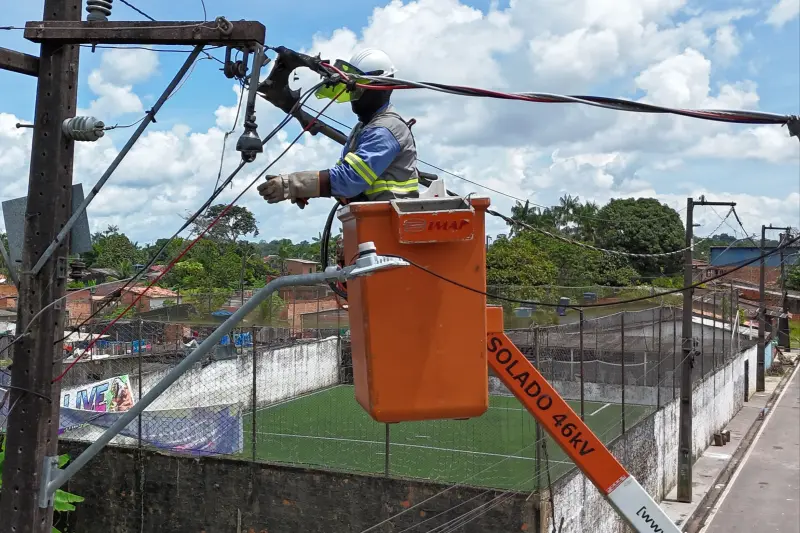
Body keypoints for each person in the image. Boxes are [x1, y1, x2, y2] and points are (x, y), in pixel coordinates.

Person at [257, 48, 420, 206]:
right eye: (351, 90)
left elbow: (349, 179)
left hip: (391, 223)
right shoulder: (361, 129)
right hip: (371, 220)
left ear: (383, 88)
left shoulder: (386, 128)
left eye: (358, 90)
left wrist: (292, 185)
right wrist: (307, 190)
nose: (353, 98)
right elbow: (341, 179)